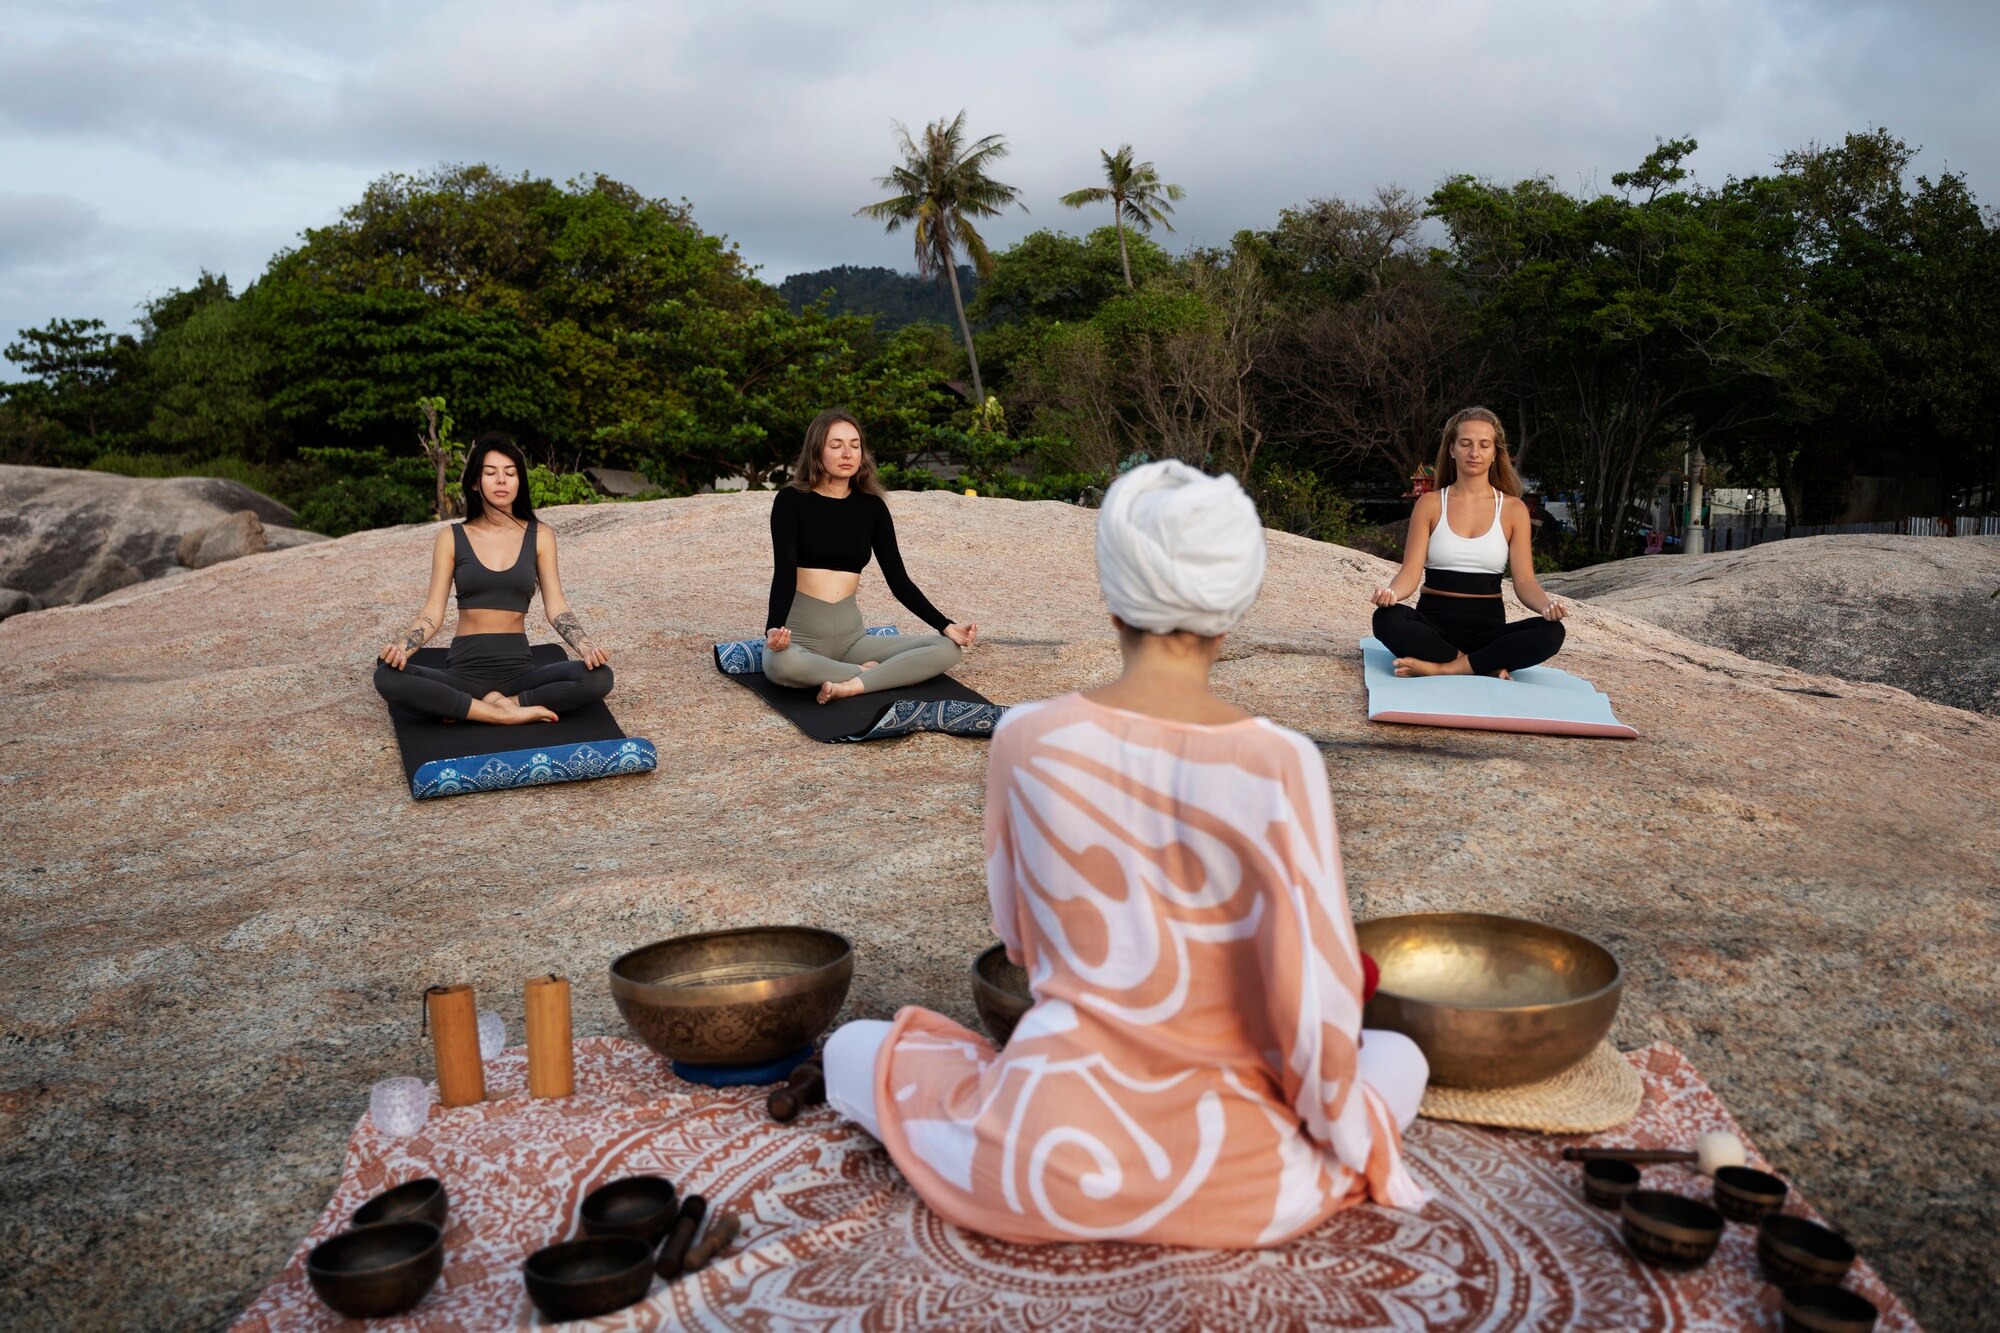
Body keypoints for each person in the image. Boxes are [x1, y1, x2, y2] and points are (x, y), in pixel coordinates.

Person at [818, 459, 1429, 1247]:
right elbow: (1312, 1002)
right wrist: (1351, 1136)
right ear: (1232, 607)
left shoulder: (1024, 737)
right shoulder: (1281, 761)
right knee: (1398, 1056)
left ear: (1113, 597)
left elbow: (1023, 945)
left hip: (1039, 1158)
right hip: (1240, 1179)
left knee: (856, 1049)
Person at [373, 433, 613, 724]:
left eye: (510, 473)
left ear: (519, 481)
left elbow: (557, 607)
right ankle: (500, 714)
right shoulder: (452, 537)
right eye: (491, 473)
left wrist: (586, 647)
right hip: (464, 671)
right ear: (475, 482)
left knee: (599, 677)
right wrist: (402, 648)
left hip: (520, 672)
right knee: (387, 674)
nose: (501, 480)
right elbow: (432, 612)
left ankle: (497, 705)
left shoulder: (540, 535)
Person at [763, 409, 975, 703]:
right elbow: (784, 572)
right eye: (835, 445)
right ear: (816, 451)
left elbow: (899, 581)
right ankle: (865, 673)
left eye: (855, 444)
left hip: (853, 639)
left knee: (947, 649)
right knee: (780, 664)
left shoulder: (872, 507)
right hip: (803, 638)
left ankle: (851, 684)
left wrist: (946, 625)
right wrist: (773, 628)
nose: (847, 453)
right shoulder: (791, 500)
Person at [1370, 407, 1568, 678]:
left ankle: (1443, 668)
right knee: (1385, 619)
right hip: (1435, 627)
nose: (1474, 452)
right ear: (1452, 449)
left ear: (1495, 453)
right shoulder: (1430, 503)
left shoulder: (1513, 509)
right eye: (1465, 444)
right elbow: (1409, 572)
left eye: (1484, 445)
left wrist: (1546, 606)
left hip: (1487, 631)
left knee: (1552, 632)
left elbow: (1525, 582)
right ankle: (1480, 665)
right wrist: (1391, 594)